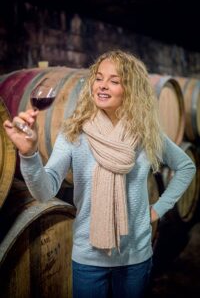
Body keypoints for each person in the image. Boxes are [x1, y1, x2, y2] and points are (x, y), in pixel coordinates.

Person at [3, 50, 196, 298]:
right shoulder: (74, 133)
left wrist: (159, 207)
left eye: (114, 81)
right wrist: (29, 154)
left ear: (131, 89)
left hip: (135, 256)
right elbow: (45, 191)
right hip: (88, 258)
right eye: (99, 78)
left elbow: (186, 167)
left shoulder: (146, 133)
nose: (103, 86)